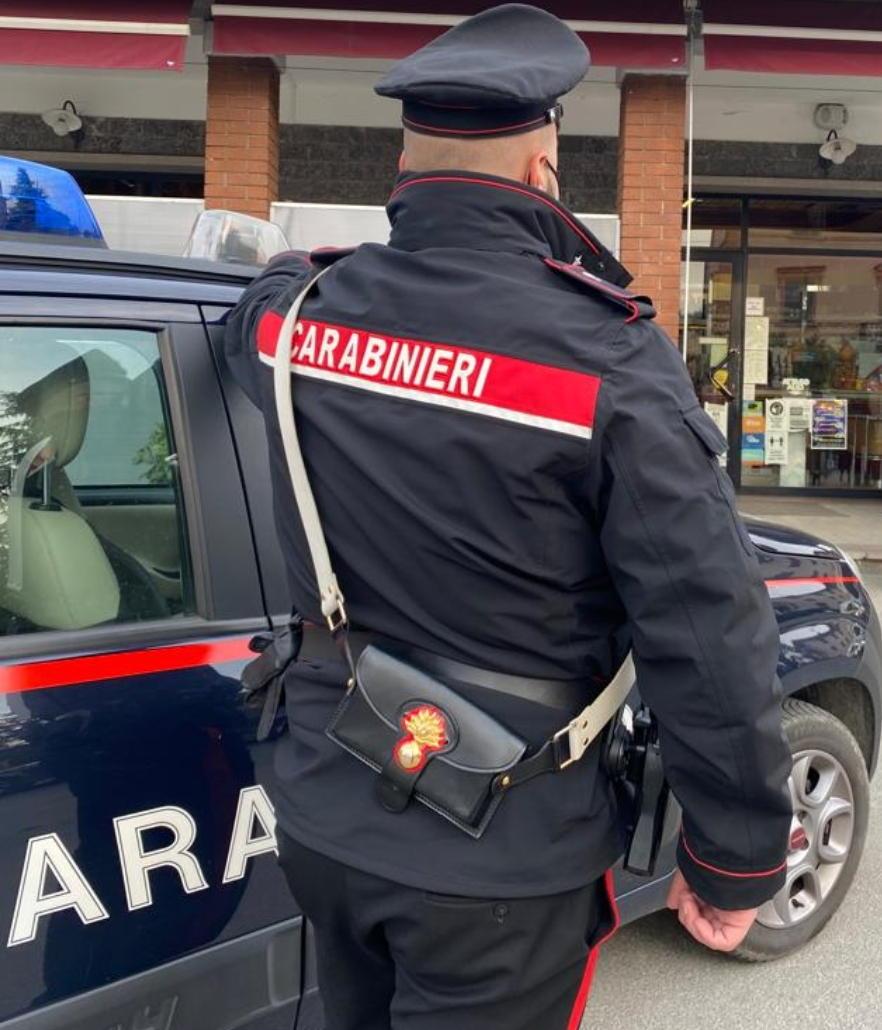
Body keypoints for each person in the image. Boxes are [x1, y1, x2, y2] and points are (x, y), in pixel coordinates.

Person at [224, 5, 792, 1028]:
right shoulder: (610, 362)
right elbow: (709, 632)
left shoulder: (302, 318)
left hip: (325, 805)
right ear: (544, 172)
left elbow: (254, 296)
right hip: (502, 845)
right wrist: (735, 856)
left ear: (405, 166)